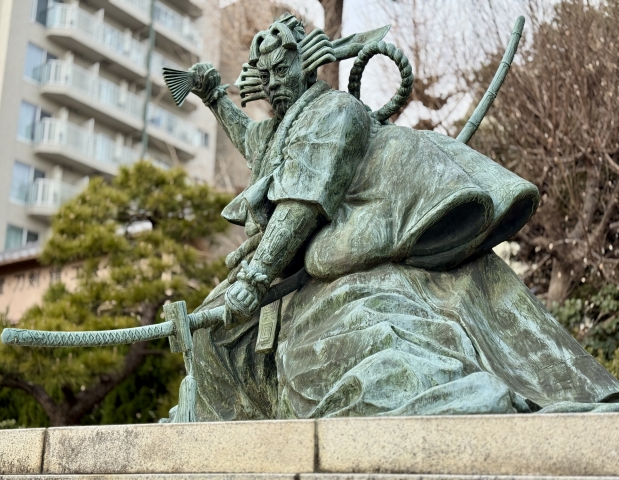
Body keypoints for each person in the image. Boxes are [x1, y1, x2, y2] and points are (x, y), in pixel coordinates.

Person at [175, 14, 619, 421]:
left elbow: (301, 205)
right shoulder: (283, 127)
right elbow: (253, 142)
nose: (273, 84)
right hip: (289, 272)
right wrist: (214, 97)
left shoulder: (333, 112)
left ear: (306, 62)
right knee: (208, 335)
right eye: (264, 75)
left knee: (308, 354)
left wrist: (253, 280)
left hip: (344, 255)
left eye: (280, 69)